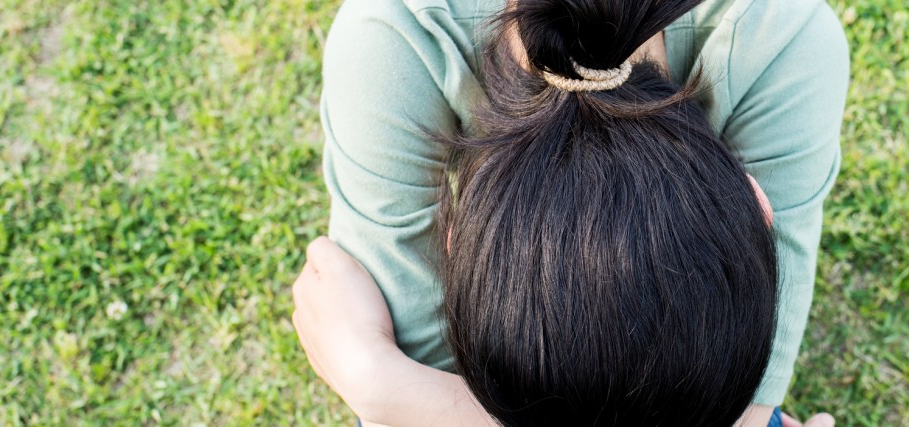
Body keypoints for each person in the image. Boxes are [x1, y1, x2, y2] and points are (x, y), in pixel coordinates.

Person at [294, 0, 849, 423]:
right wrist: (389, 386)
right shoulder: (394, 33)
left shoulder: (784, 36)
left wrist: (385, 385)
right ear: (759, 208)